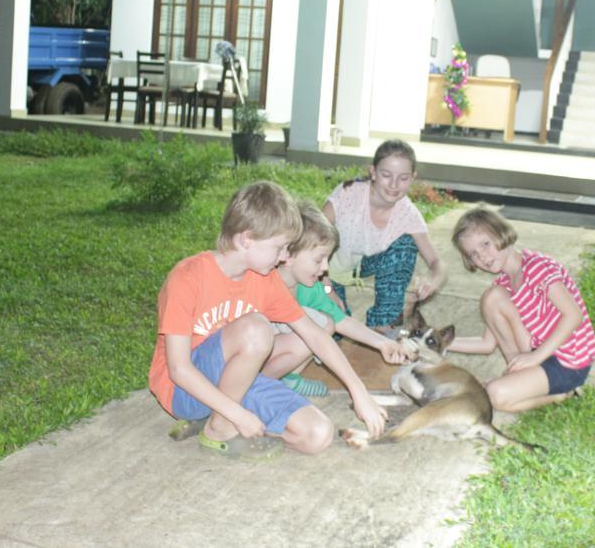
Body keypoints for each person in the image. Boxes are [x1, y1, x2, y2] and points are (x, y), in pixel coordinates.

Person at [148, 181, 387, 457]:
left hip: (234, 385)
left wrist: (359, 391)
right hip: (183, 392)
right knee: (256, 329)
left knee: (317, 435)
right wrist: (237, 414)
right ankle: (221, 426)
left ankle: (216, 417)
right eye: (280, 247)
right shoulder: (187, 277)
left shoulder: (264, 279)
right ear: (246, 239)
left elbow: (315, 335)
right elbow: (179, 370)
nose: (285, 256)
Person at [446, 206, 595, 413]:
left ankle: (561, 393)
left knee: (494, 395)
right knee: (492, 298)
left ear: (502, 233)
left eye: (485, 244)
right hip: (539, 353)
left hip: (568, 362)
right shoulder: (504, 285)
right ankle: (523, 380)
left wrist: (536, 357)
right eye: (473, 253)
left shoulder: (538, 268)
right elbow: (486, 344)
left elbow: (573, 316)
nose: (482, 255)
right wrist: (434, 343)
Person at [267, 202, 410, 397]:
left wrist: (382, 343)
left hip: (277, 348)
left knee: (326, 322)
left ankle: (288, 378)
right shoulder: (263, 280)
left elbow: (341, 320)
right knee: (316, 328)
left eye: (327, 259)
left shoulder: (311, 286)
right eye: (319, 260)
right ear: (288, 255)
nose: (325, 268)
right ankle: (258, 387)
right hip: (252, 354)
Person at [322, 140, 447, 333]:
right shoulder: (348, 194)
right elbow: (309, 241)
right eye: (386, 175)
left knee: (405, 246)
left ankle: (382, 324)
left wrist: (433, 282)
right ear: (373, 172)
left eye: (403, 178)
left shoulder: (408, 214)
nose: (394, 185)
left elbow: (437, 262)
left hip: (361, 264)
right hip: (324, 268)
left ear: (413, 178)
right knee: (333, 332)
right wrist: (327, 288)